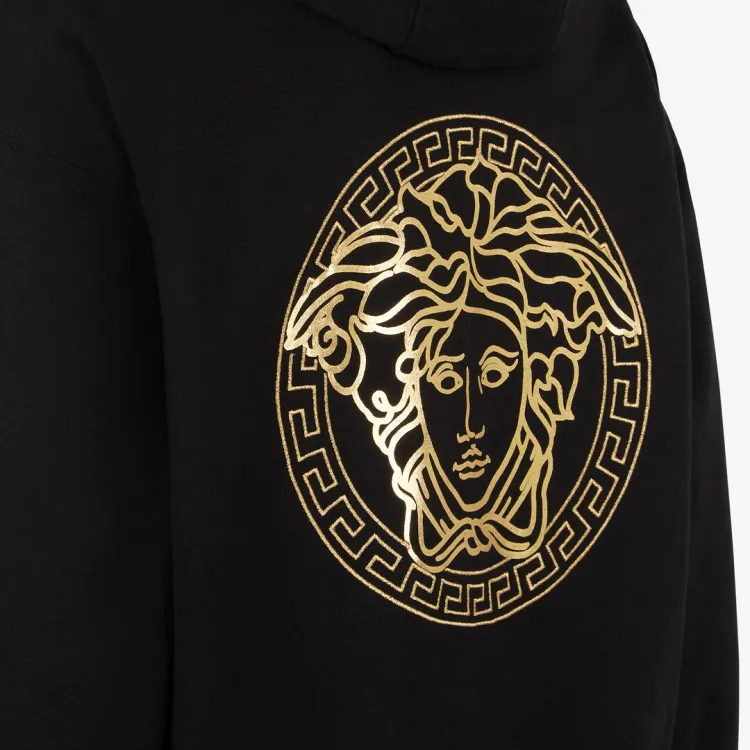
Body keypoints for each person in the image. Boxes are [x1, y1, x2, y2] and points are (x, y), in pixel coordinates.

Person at [0, 0, 738, 748]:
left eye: (494, 375)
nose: (473, 421)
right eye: (445, 382)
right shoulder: (608, 62)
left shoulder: (77, 47)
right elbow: (697, 636)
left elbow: (56, 641)